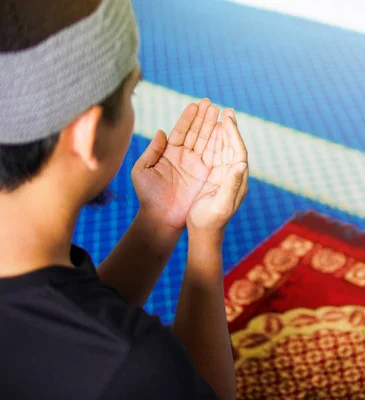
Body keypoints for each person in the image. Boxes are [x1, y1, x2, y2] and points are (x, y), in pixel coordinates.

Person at [0, 0, 248, 399]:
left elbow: (54, 320)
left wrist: (160, 222)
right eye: (131, 92)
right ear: (87, 134)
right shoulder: (133, 364)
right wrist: (205, 242)